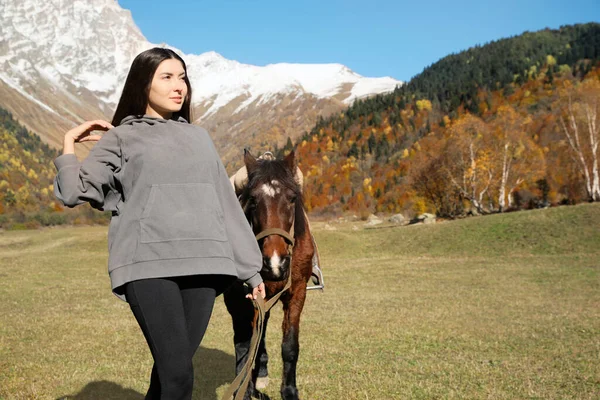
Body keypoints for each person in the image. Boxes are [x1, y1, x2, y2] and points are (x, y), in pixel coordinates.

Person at [53, 47, 265, 399]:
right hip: (148, 266)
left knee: (170, 373)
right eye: (167, 77)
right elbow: (73, 192)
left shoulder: (200, 138)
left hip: (205, 264)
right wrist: (68, 146)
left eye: (182, 77)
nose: (178, 85)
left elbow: (225, 204)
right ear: (143, 84)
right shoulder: (121, 137)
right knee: (180, 375)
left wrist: (251, 270)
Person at [229, 152, 324, 290]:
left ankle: (313, 263)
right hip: (247, 177)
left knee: (298, 210)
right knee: (233, 194)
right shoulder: (242, 176)